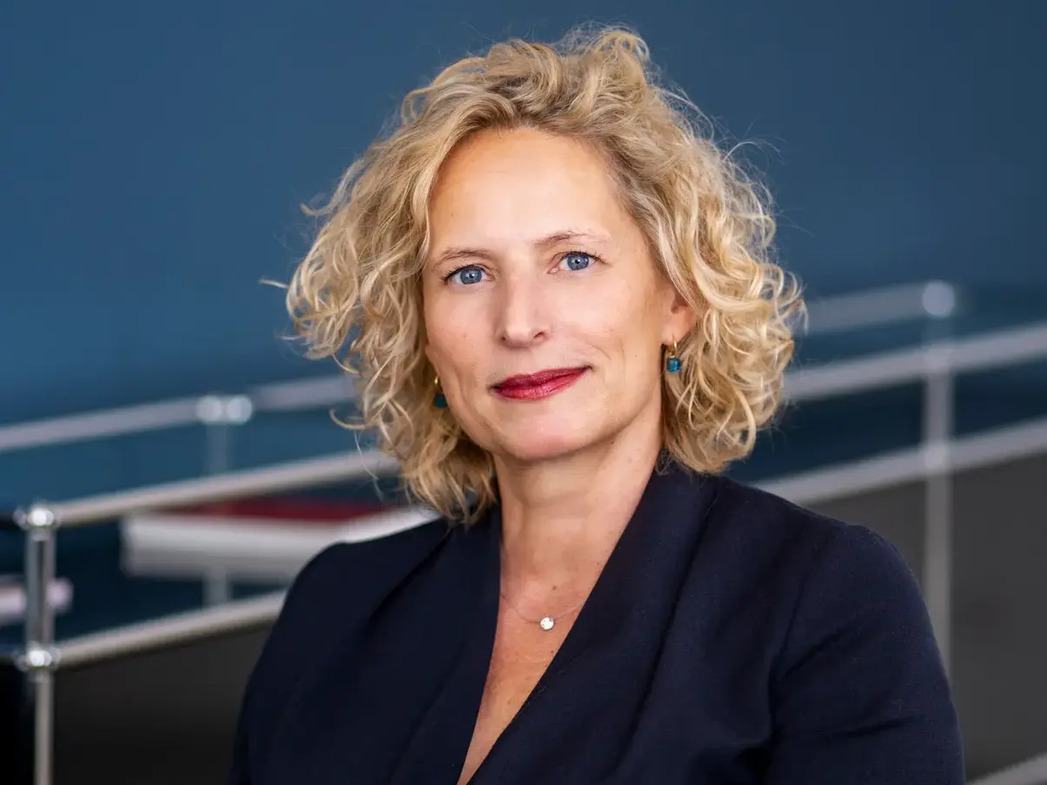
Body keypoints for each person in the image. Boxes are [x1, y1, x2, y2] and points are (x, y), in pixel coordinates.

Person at [228, 26, 963, 785]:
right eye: (468, 274)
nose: (519, 323)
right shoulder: (337, 606)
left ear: (676, 298)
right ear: (422, 332)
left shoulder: (823, 600)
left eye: (573, 260)